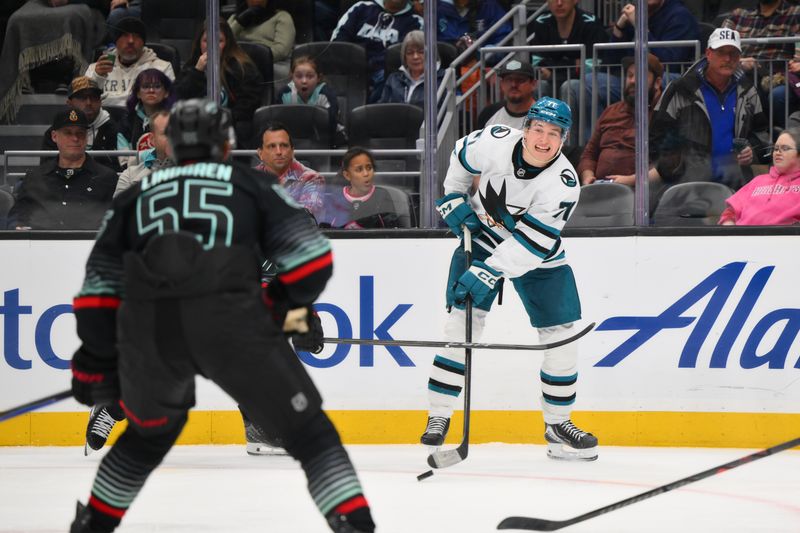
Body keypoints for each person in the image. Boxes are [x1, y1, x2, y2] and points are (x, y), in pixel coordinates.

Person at [67, 98, 376, 533]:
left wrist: (95, 362)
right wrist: (284, 310)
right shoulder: (252, 185)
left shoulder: (135, 196)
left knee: (147, 436)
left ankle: (92, 526)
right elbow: (312, 260)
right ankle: (354, 523)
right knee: (311, 435)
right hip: (235, 327)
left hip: (154, 333)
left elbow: (95, 293)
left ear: (170, 146)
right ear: (228, 147)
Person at [420, 97, 598, 461]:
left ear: (563, 139)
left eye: (554, 133)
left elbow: (532, 244)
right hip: (481, 238)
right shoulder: (495, 141)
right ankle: (439, 415)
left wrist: (490, 271)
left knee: (562, 337)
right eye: (538, 129)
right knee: (461, 325)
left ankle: (558, 424)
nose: (544, 139)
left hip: (538, 255)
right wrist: (453, 195)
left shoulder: (563, 184)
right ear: (525, 129)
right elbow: (460, 155)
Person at [650, 28, 770, 194]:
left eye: (733, 53)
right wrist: (676, 167)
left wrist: (752, 151)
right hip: (688, 186)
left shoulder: (748, 90)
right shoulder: (681, 89)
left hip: (737, 186)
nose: (728, 59)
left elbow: (761, 134)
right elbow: (656, 137)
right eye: (721, 52)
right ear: (708, 54)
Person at [9, 109, 117, 230]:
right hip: (42, 240)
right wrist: (18, 227)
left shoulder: (106, 178)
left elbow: (116, 219)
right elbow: (18, 214)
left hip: (89, 241)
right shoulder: (35, 178)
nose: (75, 138)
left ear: (87, 137)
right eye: (68, 133)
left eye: (80, 133)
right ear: (54, 136)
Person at [0, 0, 106, 122]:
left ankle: (68, 78)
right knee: (17, 18)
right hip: (41, 3)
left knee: (72, 17)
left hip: (79, 4)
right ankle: (23, 78)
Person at [527, 0, 608, 142]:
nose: (559, 3)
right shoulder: (541, 22)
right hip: (553, 80)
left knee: (569, 86)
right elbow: (538, 63)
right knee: (540, 86)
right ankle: (540, 139)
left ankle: (569, 144)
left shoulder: (590, 22)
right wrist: (573, 64)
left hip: (584, 83)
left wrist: (554, 69)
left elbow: (591, 66)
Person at [579, 54, 663, 187]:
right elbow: (589, 154)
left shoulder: (665, 114)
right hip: (599, 189)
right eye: (630, 75)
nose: (633, 81)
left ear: (657, 83)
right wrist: (588, 176)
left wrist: (632, 180)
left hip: (642, 192)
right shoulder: (611, 111)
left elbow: (669, 164)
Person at [175, 20, 263, 147]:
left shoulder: (242, 68)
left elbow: (249, 104)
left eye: (219, 41)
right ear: (199, 43)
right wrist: (197, 72)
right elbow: (178, 97)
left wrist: (224, 119)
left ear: (227, 43)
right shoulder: (192, 66)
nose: (212, 46)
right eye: (206, 41)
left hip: (231, 128)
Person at [721, 0, 800, 126]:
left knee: (777, 94)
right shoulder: (738, 15)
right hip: (739, 73)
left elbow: (798, 57)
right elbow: (717, 51)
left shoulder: (795, 13)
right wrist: (739, 62)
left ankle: (784, 135)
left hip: (779, 76)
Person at [331, 0, 424, 103]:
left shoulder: (416, 22)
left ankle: (370, 111)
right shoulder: (362, 7)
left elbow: (404, 57)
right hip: (352, 66)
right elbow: (339, 39)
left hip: (384, 72)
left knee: (392, 78)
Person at [85, 17, 175, 107]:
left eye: (136, 36)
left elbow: (170, 103)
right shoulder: (96, 69)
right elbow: (85, 102)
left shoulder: (162, 68)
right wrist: (97, 77)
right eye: (125, 35)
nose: (131, 41)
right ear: (116, 42)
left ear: (143, 43)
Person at [719, 129, 800, 226]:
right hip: (742, 234)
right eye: (776, 148)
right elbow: (731, 212)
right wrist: (729, 228)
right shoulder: (758, 181)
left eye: (785, 148)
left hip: (784, 235)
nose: (778, 152)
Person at [42, 76, 123, 172]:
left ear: (100, 101)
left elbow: (120, 167)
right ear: (69, 103)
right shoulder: (57, 131)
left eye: (94, 97)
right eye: (82, 97)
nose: (88, 102)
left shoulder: (116, 128)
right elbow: (47, 169)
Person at [255, 122, 326, 222]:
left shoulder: (312, 179)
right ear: (260, 153)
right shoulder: (249, 178)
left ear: (292, 151)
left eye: (284, 145)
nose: (279, 152)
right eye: (272, 146)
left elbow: (304, 219)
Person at [320, 147, 402, 229]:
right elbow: (327, 230)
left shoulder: (382, 196)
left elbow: (392, 230)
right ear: (347, 175)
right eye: (359, 169)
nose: (366, 174)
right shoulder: (336, 197)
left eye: (369, 168)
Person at [276, 55, 346, 146]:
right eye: (299, 76)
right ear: (292, 76)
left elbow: (331, 125)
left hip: (327, 138)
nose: (304, 81)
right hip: (294, 139)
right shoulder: (285, 94)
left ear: (318, 78)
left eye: (310, 76)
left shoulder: (326, 95)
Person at [227, 0, 296, 83]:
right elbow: (222, 41)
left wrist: (250, 60)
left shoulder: (282, 17)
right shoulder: (235, 18)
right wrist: (239, 22)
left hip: (272, 64)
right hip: (239, 64)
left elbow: (281, 51)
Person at [378, 30, 445, 108]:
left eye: (421, 52)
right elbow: (382, 109)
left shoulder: (444, 79)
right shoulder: (393, 79)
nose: (415, 57)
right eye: (410, 53)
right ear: (404, 57)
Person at [114, 110, 173, 196]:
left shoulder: (192, 171)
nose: (173, 137)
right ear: (152, 139)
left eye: (177, 133)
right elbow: (119, 204)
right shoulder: (129, 176)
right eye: (166, 133)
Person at [118, 68, 176, 156]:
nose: (151, 90)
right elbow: (124, 160)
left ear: (166, 93)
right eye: (145, 87)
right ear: (138, 93)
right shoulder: (127, 122)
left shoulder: (175, 119)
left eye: (157, 86)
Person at [476, 59, 538, 130]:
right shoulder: (489, 113)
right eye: (508, 80)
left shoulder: (545, 116)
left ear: (533, 84)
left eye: (520, 80)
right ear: (502, 84)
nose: (513, 85)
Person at [436, 0, 511, 46]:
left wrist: (480, 54)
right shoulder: (437, 8)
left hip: (481, 64)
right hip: (444, 64)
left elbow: (503, 40)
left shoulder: (489, 6)